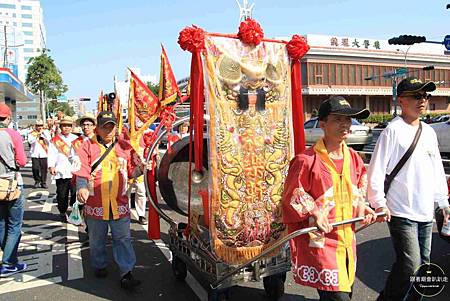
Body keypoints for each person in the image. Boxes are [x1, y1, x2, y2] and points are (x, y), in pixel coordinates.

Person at [282, 96, 376, 301]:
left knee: (346, 291)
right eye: (338, 119)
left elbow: (358, 188)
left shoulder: (353, 157)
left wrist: (364, 207)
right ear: (322, 124)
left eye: (348, 119)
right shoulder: (305, 160)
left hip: (347, 239)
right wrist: (314, 211)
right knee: (338, 297)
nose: (345, 124)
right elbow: (293, 193)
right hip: (322, 242)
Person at [367, 77, 450, 301]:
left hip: (424, 212)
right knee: (411, 266)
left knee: (422, 268)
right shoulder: (392, 131)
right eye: (416, 95)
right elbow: (376, 169)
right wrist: (379, 203)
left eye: (425, 96)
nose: (422, 100)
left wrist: (442, 200)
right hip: (400, 211)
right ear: (401, 100)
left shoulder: (429, 132)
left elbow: (436, 169)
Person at [75, 111, 145, 290]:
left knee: (123, 239)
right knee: (97, 239)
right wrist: (81, 187)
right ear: (97, 128)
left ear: (116, 128)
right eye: (104, 126)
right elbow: (81, 170)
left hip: (119, 202)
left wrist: (142, 169)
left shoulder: (125, 146)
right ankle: (99, 264)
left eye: (111, 126)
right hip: (96, 203)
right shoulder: (86, 146)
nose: (108, 130)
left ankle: (126, 272)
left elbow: (132, 171)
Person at [0, 104, 27, 277]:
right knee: (14, 225)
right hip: (11, 184)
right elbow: (22, 162)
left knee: (1, 223)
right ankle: (9, 262)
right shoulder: (13, 135)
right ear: (8, 118)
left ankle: (8, 257)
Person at [48, 116, 78, 223]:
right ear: (60, 127)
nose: (66, 128)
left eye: (69, 126)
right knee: (62, 195)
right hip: (61, 171)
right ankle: (62, 212)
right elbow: (51, 154)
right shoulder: (55, 140)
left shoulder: (77, 139)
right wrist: (51, 165)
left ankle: (75, 214)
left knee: (75, 194)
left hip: (74, 171)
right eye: (64, 125)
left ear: (72, 127)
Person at [28, 119, 51, 188]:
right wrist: (37, 136)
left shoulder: (46, 132)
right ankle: (37, 181)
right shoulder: (31, 133)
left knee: (44, 169)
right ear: (35, 126)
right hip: (35, 153)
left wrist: (43, 136)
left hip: (44, 153)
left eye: (41, 125)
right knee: (35, 168)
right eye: (38, 126)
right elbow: (30, 141)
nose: (40, 127)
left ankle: (43, 182)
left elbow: (49, 142)